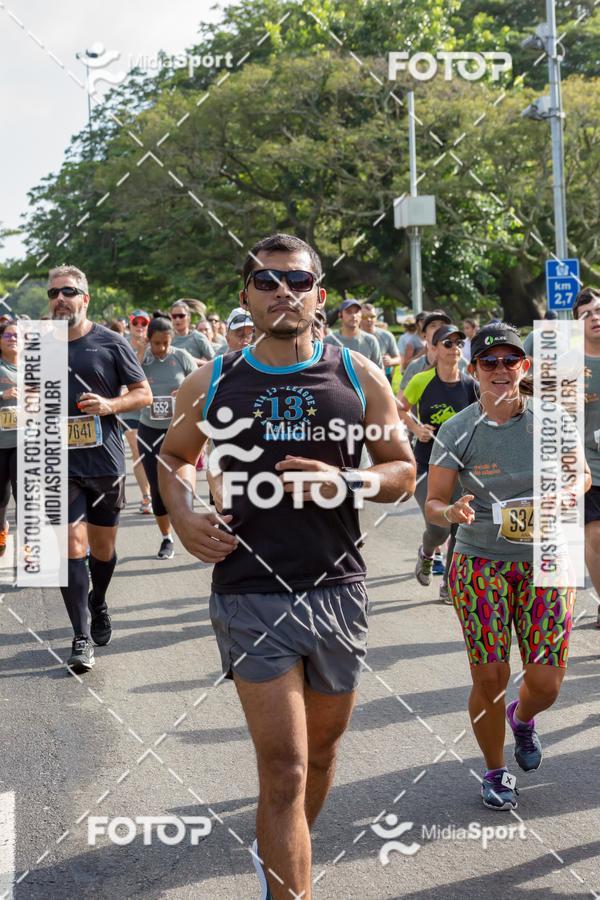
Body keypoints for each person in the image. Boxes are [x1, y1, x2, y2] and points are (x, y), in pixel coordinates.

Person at [158, 232, 415, 900]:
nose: (283, 293)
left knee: (320, 758)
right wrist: (184, 514)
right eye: (268, 282)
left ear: (318, 296)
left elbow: (402, 473)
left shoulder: (359, 375)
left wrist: (346, 484)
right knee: (287, 768)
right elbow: (169, 456)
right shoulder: (212, 378)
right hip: (249, 593)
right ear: (245, 295)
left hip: (338, 587)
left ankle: (279, 842)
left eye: (297, 283)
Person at [426, 323, 588, 810]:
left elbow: (580, 474)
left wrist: (567, 491)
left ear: (525, 366)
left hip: (548, 558)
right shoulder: (459, 429)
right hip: (480, 562)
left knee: (545, 683)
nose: (500, 370)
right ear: (474, 370)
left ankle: (523, 718)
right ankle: (495, 771)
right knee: (490, 677)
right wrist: (450, 513)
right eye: (489, 362)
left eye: (509, 361)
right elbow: (433, 501)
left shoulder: (552, 420)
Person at [49, 265, 151, 673]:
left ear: (84, 298)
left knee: (102, 550)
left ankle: (99, 599)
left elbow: (142, 394)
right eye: (54, 292)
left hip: (105, 462)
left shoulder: (110, 342)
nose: (60, 298)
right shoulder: (39, 346)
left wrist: (111, 405)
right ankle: (80, 635)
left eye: (69, 291)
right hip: (58, 464)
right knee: (69, 548)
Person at [399, 325, 477, 603]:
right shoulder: (422, 380)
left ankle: (449, 585)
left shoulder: (470, 385)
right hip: (426, 465)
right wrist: (416, 428)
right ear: (433, 349)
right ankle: (427, 552)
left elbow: (483, 416)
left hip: (459, 468)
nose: (454, 347)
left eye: (459, 342)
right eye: (447, 343)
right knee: (439, 527)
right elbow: (400, 408)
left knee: (459, 526)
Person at [138, 317, 196, 559]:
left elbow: (201, 387)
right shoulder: (143, 359)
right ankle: (166, 538)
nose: (161, 348)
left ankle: (193, 534)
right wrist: (141, 352)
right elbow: (128, 381)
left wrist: (184, 392)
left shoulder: (181, 356)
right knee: (159, 490)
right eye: (156, 343)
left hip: (178, 429)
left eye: (165, 343)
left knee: (183, 486)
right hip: (149, 430)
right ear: (148, 339)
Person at [571, 288, 600, 627]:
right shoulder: (569, 364)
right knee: (594, 536)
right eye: (586, 314)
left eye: (598, 311)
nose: (595, 317)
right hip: (588, 468)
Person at [122, 310, 152, 515]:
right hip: (130, 407)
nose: (140, 326)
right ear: (130, 325)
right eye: (136, 323)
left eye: (144, 323)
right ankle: (146, 496)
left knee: (154, 453)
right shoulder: (121, 345)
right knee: (137, 451)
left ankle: (159, 491)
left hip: (153, 408)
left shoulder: (157, 344)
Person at [0, 321, 19, 556]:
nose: (13, 339)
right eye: (7, 335)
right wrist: (2, 394)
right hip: (1, 443)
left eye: (16, 335)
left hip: (27, 442)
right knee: (1, 498)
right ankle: (2, 532)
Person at [324, 299, 382, 366]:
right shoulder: (329, 341)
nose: (354, 315)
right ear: (340, 315)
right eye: (349, 312)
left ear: (361, 315)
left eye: (357, 312)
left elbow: (380, 369)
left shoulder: (371, 340)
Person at [361, 303, 401, 383]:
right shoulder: (353, 336)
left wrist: (390, 361)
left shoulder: (387, 336)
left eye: (372, 316)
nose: (369, 319)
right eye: (364, 317)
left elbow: (398, 359)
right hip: (359, 378)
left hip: (383, 378)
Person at [170, 300, 214, 365]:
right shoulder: (166, 338)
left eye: (181, 316)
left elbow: (215, 363)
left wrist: (194, 361)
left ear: (189, 318)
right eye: (174, 316)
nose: (177, 319)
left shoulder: (198, 337)